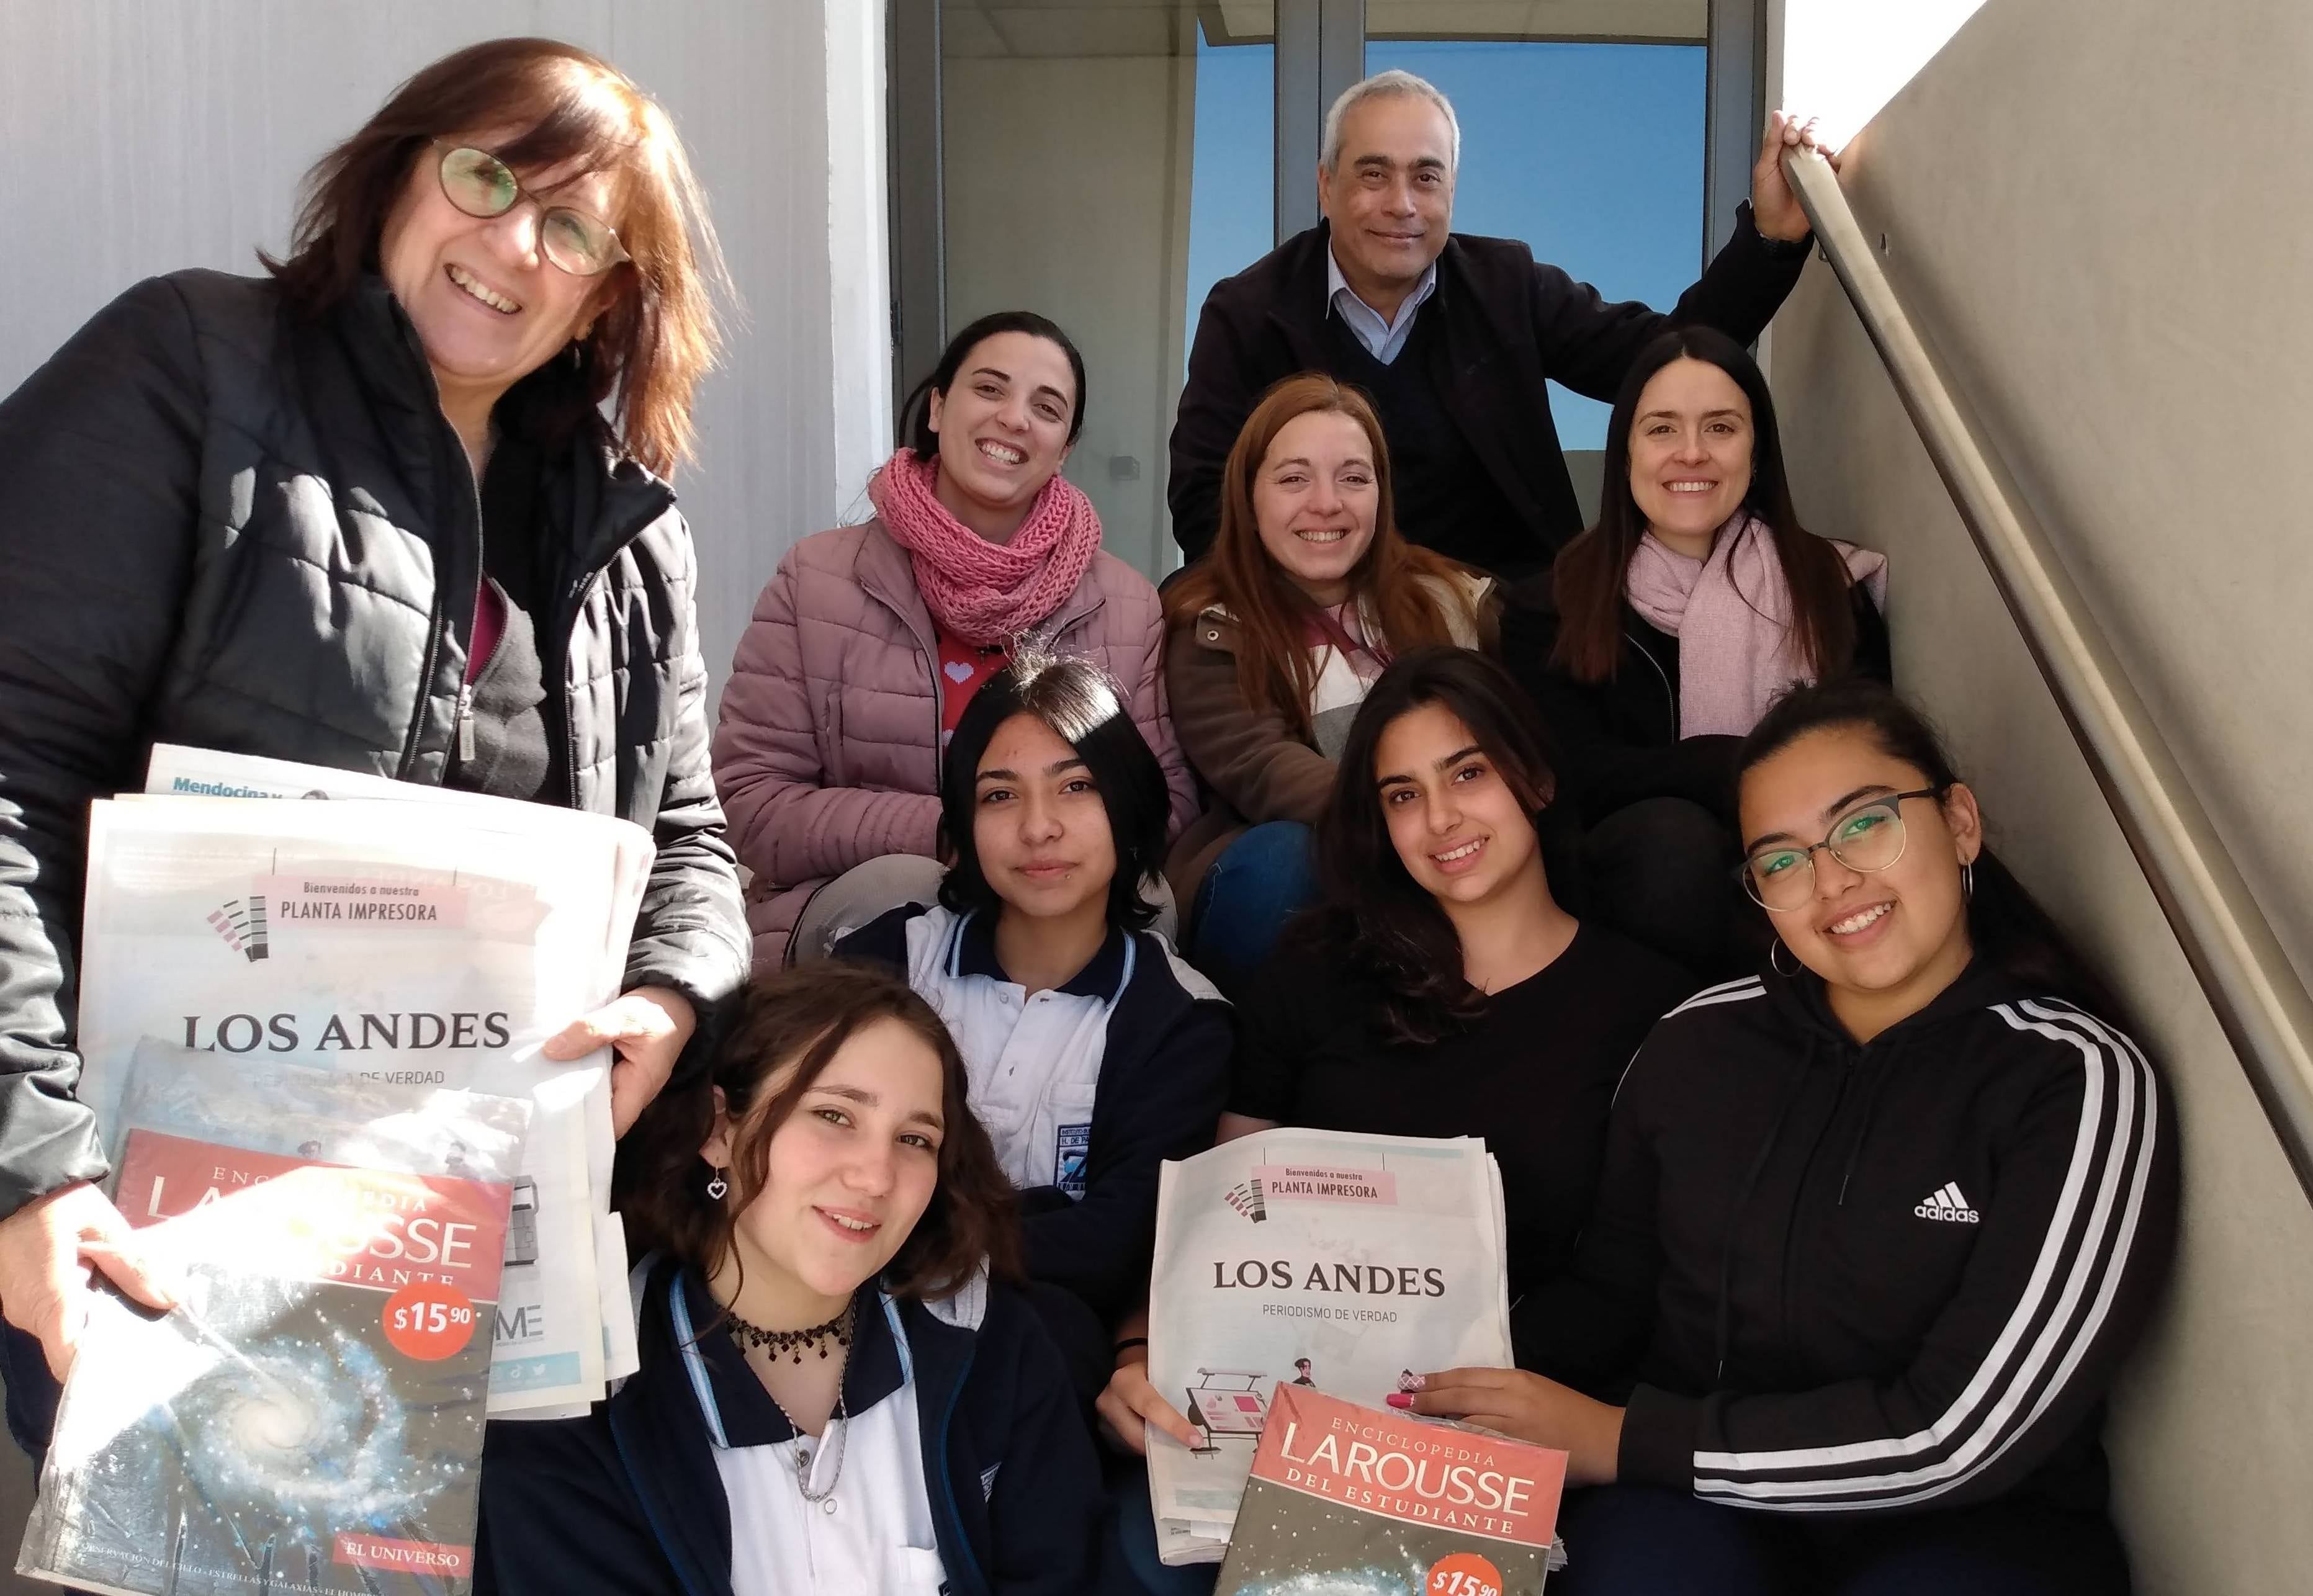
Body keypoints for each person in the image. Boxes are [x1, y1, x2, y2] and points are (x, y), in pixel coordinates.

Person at [0, 37, 748, 1440]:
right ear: (401, 170)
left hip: (489, 1259)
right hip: (161, 1228)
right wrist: (28, 1171)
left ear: (609, 296)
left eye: (573, 227)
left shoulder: (635, 543)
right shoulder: (189, 366)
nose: (512, 243)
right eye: (485, 174)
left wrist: (670, 995)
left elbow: (691, 839)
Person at [1408, 678, 2178, 1596]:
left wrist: (1620, 1438)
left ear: (1960, 824)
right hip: (1689, 1504)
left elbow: (1961, 1437)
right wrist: (1408, 1374)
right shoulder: (1694, 1043)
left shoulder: (2071, 1079)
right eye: (1780, 862)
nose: (1832, 882)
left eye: (1864, 825)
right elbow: (1610, 1294)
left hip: (1966, 1525)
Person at [1097, 648, 1691, 1593]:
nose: (1441, 819)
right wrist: (1140, 1348)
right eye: (1402, 796)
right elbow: (1221, 1209)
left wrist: (1436, 1414)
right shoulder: (1316, 967)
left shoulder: (1648, 1006)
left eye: (1467, 774)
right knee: (1144, 1551)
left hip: (1514, 1418)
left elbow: (1626, 1284)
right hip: (1289, 1405)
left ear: (1532, 778)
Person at [477, 961, 1112, 1594]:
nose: (876, 1176)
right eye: (834, 1116)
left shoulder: (995, 1347)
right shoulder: (578, 1402)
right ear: (720, 1128)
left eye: (915, 1139)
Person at [1169, 69, 1832, 575]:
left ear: (1451, 192)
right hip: (1317, 620)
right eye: (1373, 174)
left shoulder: (1506, 284)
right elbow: (1202, 502)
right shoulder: (1247, 312)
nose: (1401, 203)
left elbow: (1668, 357)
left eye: (1425, 178)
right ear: (1325, 185)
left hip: (1508, 625)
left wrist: (1769, 241)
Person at [716, 312, 1199, 971]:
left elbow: (1163, 799)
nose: (1014, 419)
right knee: (907, 895)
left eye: (1046, 407)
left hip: (1055, 898)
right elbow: (752, 800)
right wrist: (951, 831)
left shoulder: (1126, 603)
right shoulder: (816, 579)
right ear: (940, 407)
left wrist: (1044, 844)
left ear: (1065, 446)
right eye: (990, 389)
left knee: (1149, 902)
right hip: (856, 906)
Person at [834, 653, 1231, 1399]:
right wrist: (1033, 1223)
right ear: (963, 822)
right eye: (999, 795)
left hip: (1031, 1368)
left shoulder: (1178, 1020)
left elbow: (1116, 1245)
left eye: (1076, 787)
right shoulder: (890, 959)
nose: (1039, 828)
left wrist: (902, 1226)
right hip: (841, 1310)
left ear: (1129, 804)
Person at [1504, 326, 1890, 979]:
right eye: (1661, 429)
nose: (1691, 453)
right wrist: (1727, 765)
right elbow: (1565, 775)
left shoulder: (1828, 585)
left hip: (1812, 846)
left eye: (1719, 428)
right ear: (1624, 452)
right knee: (1669, 843)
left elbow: (1871, 747)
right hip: (1639, 887)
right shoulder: (1553, 605)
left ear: (1756, 449)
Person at [1161, 375, 1492, 990]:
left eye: (1353, 477)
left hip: (1444, 842)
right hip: (1297, 862)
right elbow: (1260, 764)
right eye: (1292, 478)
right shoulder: (1207, 619)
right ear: (1248, 495)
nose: (1326, 503)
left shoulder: (1454, 600)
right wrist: (1408, 812)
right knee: (1283, 860)